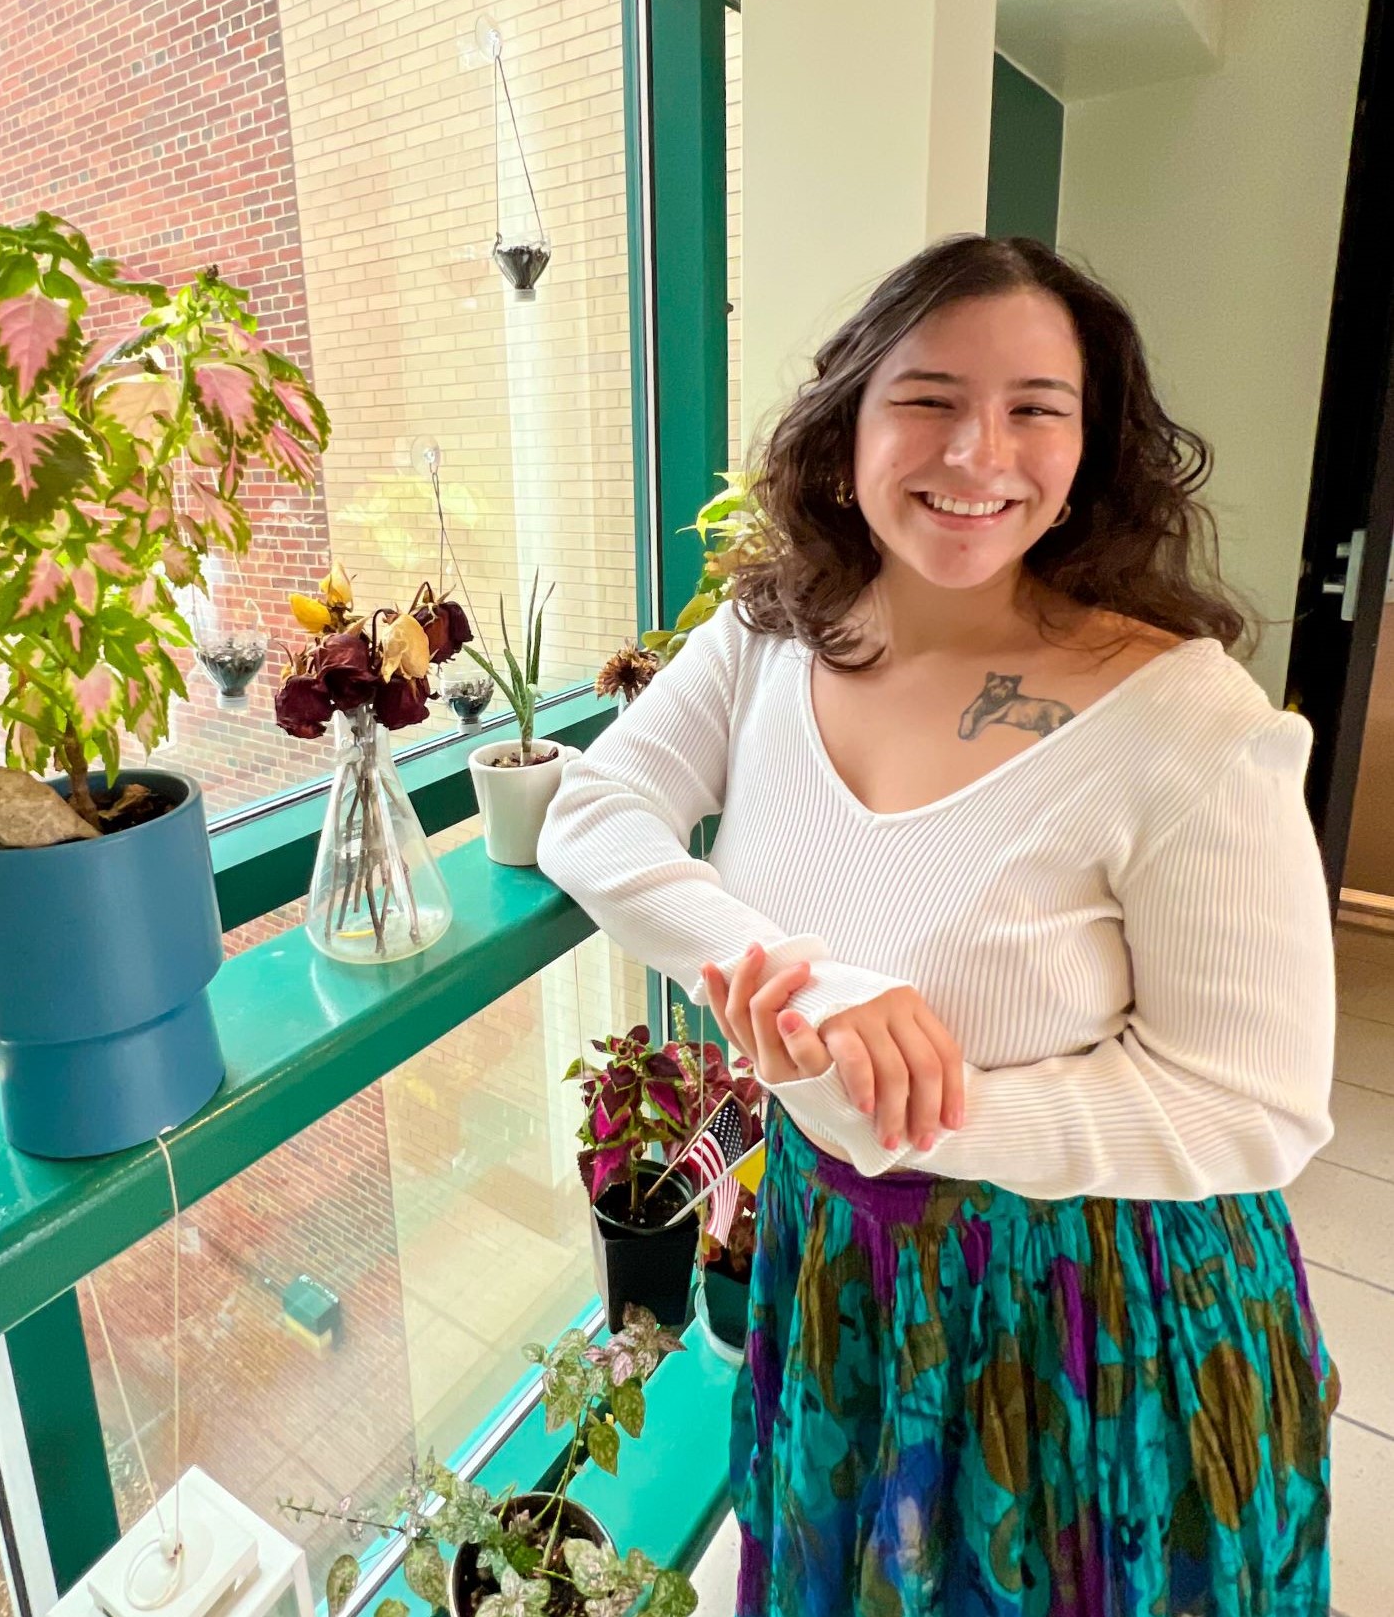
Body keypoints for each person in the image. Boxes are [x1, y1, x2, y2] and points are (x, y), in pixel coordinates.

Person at [534, 235, 1341, 1617]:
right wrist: (814, 989)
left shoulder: (1188, 721)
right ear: (847, 419)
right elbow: (593, 814)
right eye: (929, 395)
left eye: (1037, 407)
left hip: (1092, 1310)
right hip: (840, 1272)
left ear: (1090, 447)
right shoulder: (773, 632)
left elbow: (1251, 1109)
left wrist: (907, 1112)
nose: (979, 451)